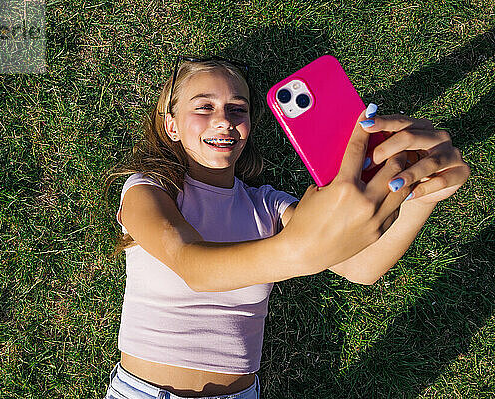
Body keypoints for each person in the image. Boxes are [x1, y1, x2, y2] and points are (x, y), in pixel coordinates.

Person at [101, 56, 470, 399]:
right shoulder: (148, 188)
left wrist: (422, 197)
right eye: (204, 106)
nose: (224, 120)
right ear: (172, 126)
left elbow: (361, 266)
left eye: (237, 109)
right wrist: (299, 252)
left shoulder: (266, 204)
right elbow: (192, 265)